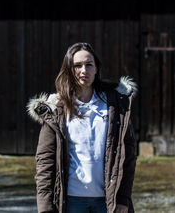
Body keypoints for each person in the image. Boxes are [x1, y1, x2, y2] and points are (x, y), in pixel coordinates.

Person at [27, 42, 137, 213]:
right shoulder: (55, 110)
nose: (84, 70)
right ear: (69, 69)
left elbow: (128, 156)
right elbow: (45, 162)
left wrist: (123, 198)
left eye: (89, 64)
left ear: (96, 68)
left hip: (108, 201)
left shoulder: (116, 106)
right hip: (70, 201)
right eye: (77, 66)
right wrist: (45, 206)